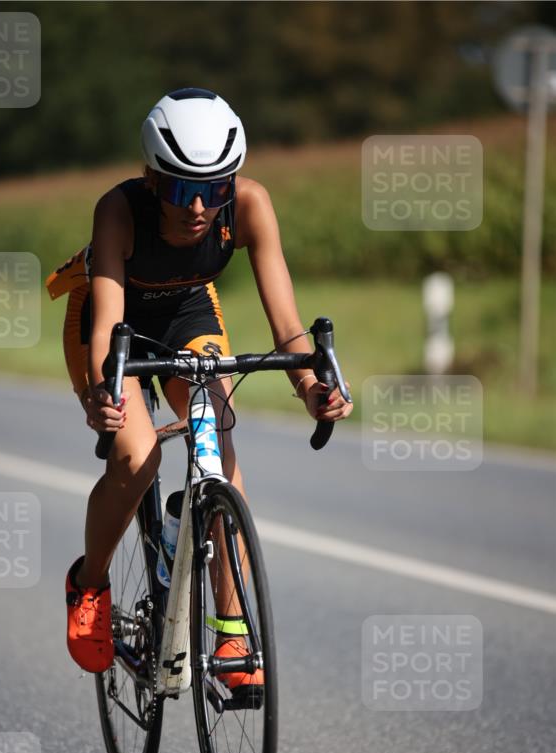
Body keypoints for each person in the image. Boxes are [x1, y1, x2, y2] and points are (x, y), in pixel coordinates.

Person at [47, 87, 353, 695]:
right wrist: (106, 393)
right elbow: (108, 319)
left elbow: (288, 326)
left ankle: (233, 628)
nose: (199, 208)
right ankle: (90, 581)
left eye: (214, 191)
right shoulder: (118, 210)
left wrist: (311, 385)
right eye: (183, 190)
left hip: (187, 309)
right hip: (115, 320)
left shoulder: (250, 205)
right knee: (138, 455)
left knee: (217, 429)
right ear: (151, 179)